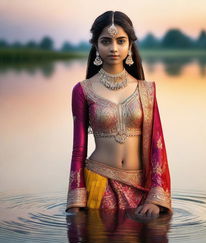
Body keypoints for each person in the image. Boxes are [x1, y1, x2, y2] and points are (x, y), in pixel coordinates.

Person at [65, 10, 172, 218]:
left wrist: (156, 198)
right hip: (98, 183)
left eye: (120, 41)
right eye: (106, 41)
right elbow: (78, 149)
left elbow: (157, 147)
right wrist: (75, 201)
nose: (114, 48)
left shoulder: (146, 90)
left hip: (141, 189)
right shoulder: (83, 90)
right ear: (96, 45)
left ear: (130, 45)